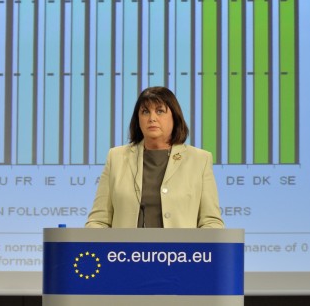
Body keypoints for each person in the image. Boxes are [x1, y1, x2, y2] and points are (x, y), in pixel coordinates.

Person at [86, 86, 224, 229]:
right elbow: (98, 221)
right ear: (138, 119)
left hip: (181, 251)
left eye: (160, 111)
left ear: (174, 117)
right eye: (145, 112)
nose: (152, 118)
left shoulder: (200, 160)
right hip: (124, 251)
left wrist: (194, 251)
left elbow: (211, 222)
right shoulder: (116, 158)